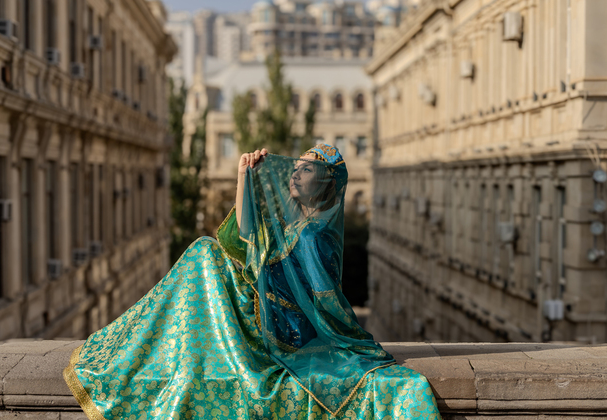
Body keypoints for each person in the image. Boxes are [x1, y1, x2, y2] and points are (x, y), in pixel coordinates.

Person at [64, 144, 442, 419]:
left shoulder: (312, 235)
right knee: (206, 252)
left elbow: (326, 302)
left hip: (286, 334)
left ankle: (132, 350)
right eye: (294, 167)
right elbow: (245, 243)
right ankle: (147, 350)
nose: (295, 173)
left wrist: (350, 343)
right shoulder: (299, 225)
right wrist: (245, 175)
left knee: (204, 255)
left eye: (306, 170)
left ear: (326, 183)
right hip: (270, 317)